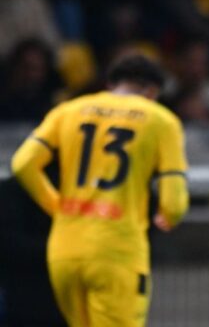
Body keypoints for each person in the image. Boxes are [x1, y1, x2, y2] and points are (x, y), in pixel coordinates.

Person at [11, 55, 190, 326]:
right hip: (116, 250)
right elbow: (174, 203)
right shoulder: (161, 120)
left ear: (110, 84)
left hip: (65, 249)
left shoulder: (68, 110)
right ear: (152, 91)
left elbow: (23, 164)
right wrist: (170, 214)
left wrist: (57, 206)